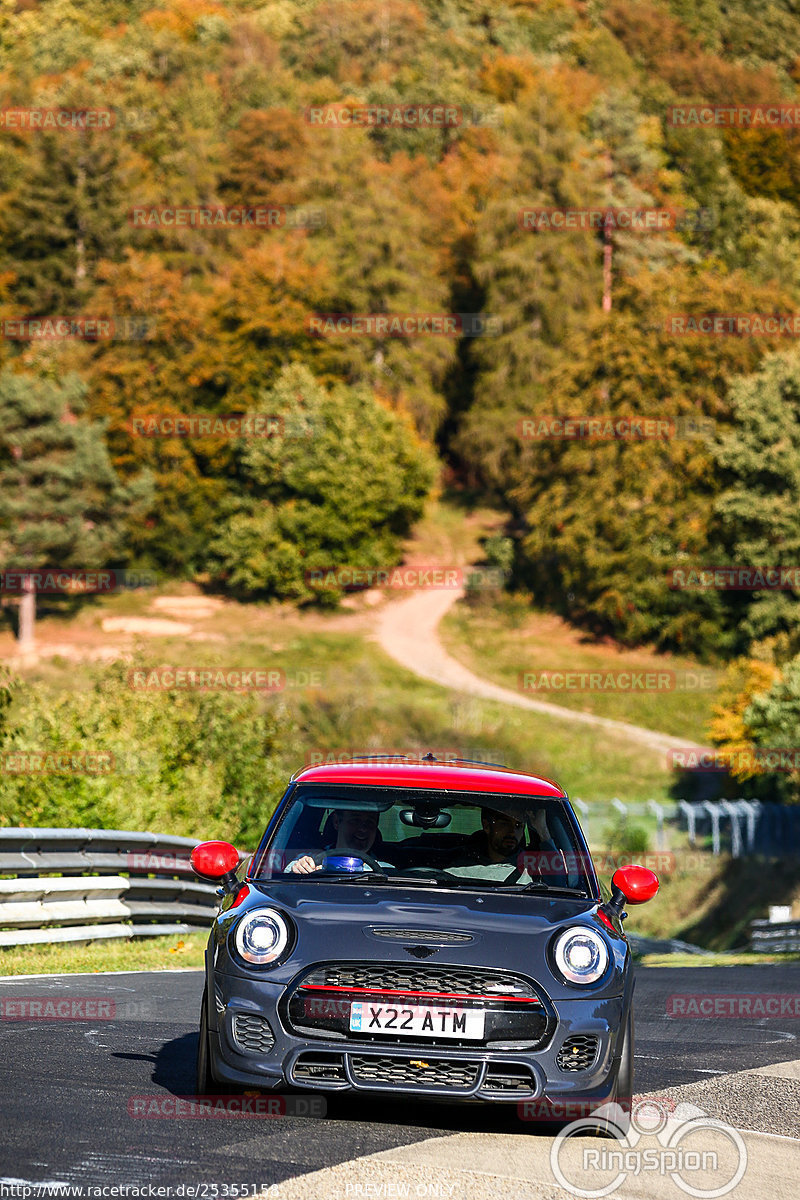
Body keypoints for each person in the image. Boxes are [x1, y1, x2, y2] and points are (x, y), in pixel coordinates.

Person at [285, 808, 382, 874]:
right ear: (336, 822)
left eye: (370, 822)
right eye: (355, 820)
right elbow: (281, 884)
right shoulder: (310, 862)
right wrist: (298, 869)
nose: (363, 829)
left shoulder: (386, 871)